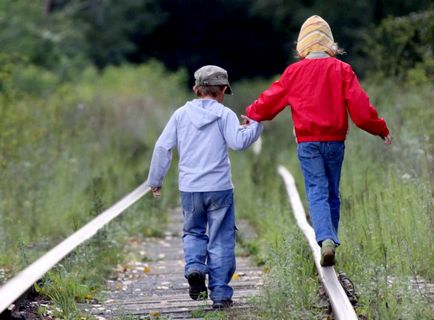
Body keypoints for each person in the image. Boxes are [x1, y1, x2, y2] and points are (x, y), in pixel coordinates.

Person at [245, 15, 392, 266]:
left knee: (317, 190)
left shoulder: (294, 72)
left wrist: (251, 113)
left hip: (308, 144)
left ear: (302, 46)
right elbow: (361, 110)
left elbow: (270, 101)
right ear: (330, 45)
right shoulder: (342, 70)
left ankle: (325, 238)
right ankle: (330, 240)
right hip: (335, 143)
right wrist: (379, 128)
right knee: (332, 192)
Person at [147, 65, 263, 308]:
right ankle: (220, 296)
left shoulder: (180, 115)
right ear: (222, 91)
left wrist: (155, 181)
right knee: (221, 238)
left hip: (190, 188)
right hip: (220, 187)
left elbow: (162, 147)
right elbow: (239, 143)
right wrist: (255, 125)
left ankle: (196, 267)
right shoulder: (225, 115)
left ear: (196, 89)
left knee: (193, 232)